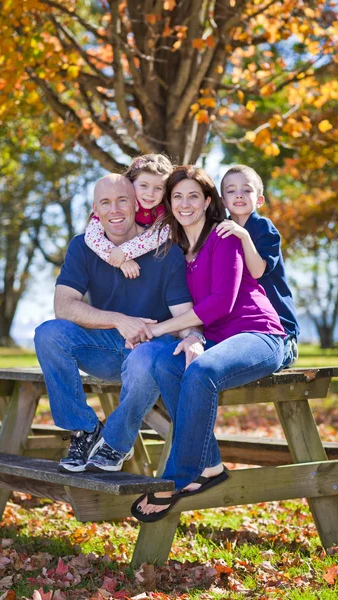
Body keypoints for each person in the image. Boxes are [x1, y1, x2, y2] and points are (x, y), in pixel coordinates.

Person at [130, 165, 285, 523]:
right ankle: (211, 465)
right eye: (177, 196)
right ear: (169, 204)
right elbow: (193, 313)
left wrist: (158, 329)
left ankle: (177, 476)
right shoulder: (176, 253)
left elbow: (220, 304)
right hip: (216, 338)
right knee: (165, 363)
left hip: (258, 334)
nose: (185, 204)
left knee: (201, 370)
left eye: (193, 196)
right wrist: (193, 335)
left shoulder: (224, 236)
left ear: (207, 201)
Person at [34, 173, 196, 473]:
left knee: (144, 359)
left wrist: (192, 336)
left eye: (122, 200)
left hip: (152, 345)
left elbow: (183, 311)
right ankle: (83, 430)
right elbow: (63, 306)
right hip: (106, 346)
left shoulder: (165, 251)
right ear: (96, 209)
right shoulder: (83, 246)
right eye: (106, 203)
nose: (115, 210)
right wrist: (119, 321)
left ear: (136, 204)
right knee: (48, 334)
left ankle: (115, 442)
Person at [216, 165, 300, 369]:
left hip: (278, 329)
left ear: (259, 200)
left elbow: (257, 271)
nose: (239, 195)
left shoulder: (263, 227)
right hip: (244, 327)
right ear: (222, 201)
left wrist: (243, 236)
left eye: (247, 190)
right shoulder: (220, 231)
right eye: (231, 190)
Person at [84, 154, 171, 279]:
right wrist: (117, 257)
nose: (150, 193)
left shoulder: (161, 210)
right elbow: (92, 236)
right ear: (131, 182)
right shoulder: (115, 207)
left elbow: (158, 235)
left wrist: (125, 252)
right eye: (144, 185)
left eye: (158, 188)